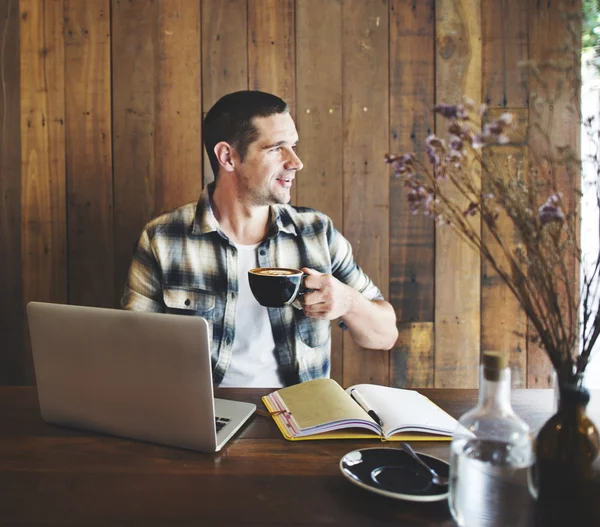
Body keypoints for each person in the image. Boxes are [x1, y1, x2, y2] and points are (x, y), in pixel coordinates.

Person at [122, 90, 398, 387]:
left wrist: (349, 302)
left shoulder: (317, 233)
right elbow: (131, 352)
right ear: (228, 157)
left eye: (293, 146)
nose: (296, 162)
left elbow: (385, 336)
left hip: (302, 417)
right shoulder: (162, 239)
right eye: (277, 148)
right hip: (204, 419)